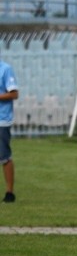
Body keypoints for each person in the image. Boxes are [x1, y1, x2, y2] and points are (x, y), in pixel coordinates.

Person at [0, 56, 18, 203]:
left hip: (1, 120)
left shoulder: (5, 69)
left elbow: (14, 93)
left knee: (4, 156)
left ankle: (9, 192)